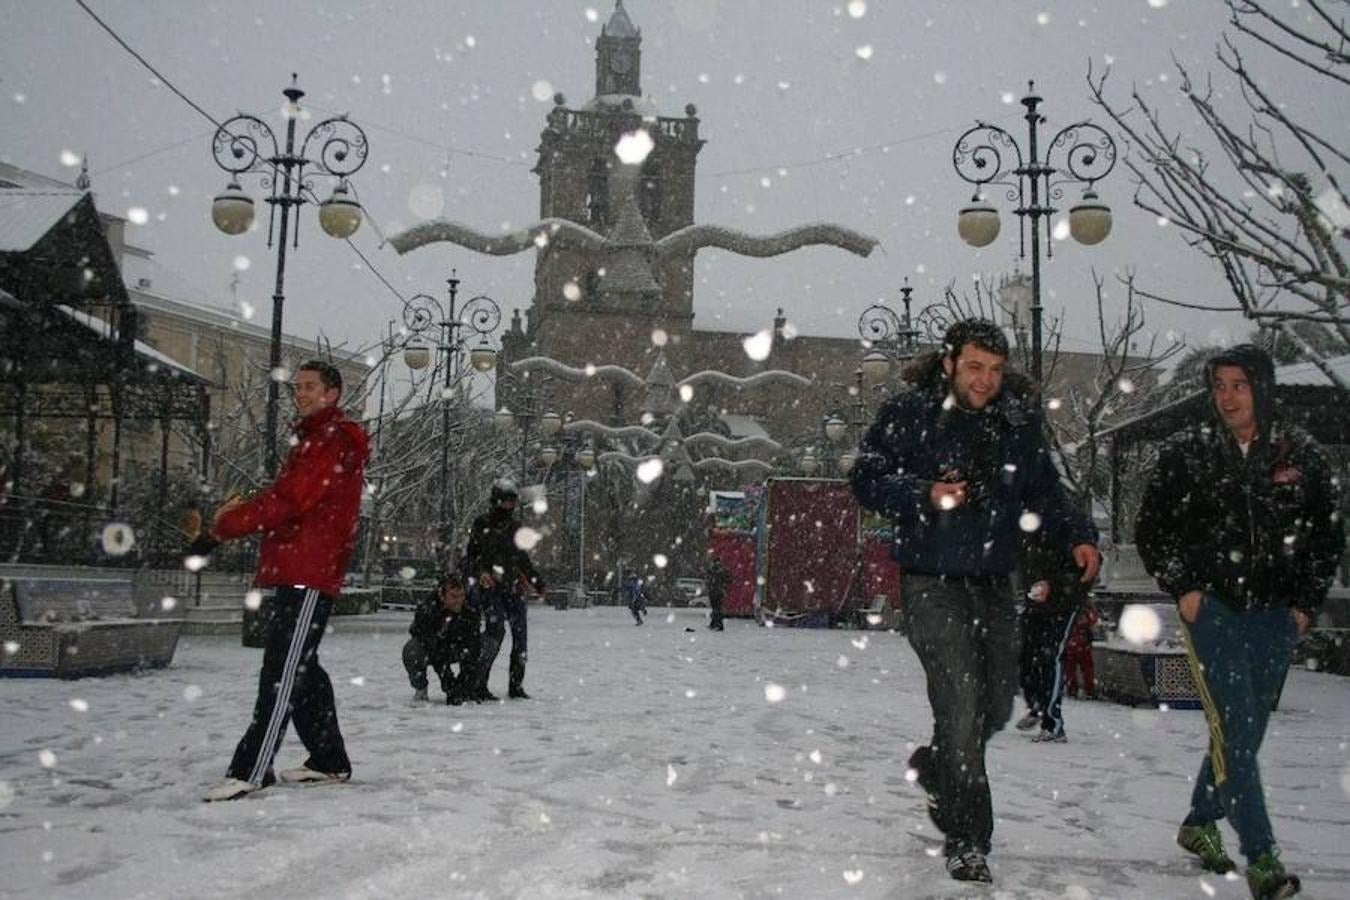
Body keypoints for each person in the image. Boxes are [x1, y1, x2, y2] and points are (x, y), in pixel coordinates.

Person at [850, 319, 1099, 884]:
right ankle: (968, 838)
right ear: (949, 364)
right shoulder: (911, 414)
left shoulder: (1017, 421)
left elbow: (1044, 490)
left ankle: (940, 767)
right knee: (960, 702)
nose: (985, 380)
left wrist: (1080, 534)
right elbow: (866, 476)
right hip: (930, 580)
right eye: (973, 367)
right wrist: (922, 494)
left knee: (994, 706)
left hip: (994, 581)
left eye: (993, 369)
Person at [1136, 344, 1343, 900]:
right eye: (1219, 385)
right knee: (1234, 727)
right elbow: (1152, 527)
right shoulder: (1190, 451)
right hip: (1215, 611)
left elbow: (1326, 535)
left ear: (1262, 390)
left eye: (1238, 385)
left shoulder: (1298, 454)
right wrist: (1186, 588)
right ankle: (1264, 859)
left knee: (1244, 733)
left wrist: (1304, 603)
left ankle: (1200, 820)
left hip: (1276, 615)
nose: (1226, 397)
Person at [201, 360, 370, 802]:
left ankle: (252, 768)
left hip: (310, 570)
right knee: (301, 668)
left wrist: (224, 526)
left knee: (283, 671)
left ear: (332, 394)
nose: (301, 393)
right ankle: (329, 759)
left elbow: (289, 499)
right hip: (299, 566)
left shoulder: (330, 441)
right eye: (298, 387)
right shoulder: (316, 439)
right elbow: (289, 500)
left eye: (310, 387)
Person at [1014, 520, 1093, 742]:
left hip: (1062, 603)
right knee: (1026, 655)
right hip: (1036, 601)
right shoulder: (1026, 526)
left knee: (1051, 657)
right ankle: (1036, 706)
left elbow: (1086, 567)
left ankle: (1053, 722)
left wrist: (1055, 585)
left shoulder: (1067, 524)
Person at [465, 478, 544, 700]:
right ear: (496, 500)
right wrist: (481, 572)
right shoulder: (481, 523)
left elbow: (522, 558)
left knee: (521, 639)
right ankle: (479, 683)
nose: (509, 506)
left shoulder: (516, 527)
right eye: (506, 501)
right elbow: (472, 555)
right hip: (490, 588)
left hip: (513, 587)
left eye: (512, 501)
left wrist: (537, 582)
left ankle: (516, 685)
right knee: (495, 633)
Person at [403, 572, 481, 705]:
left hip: (457, 646)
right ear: (442, 595)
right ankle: (420, 687)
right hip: (430, 648)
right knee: (412, 650)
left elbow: (474, 645)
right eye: (454, 596)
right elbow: (433, 648)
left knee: (484, 646)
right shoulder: (427, 609)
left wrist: (464, 686)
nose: (459, 601)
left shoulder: (469, 610)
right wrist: (449, 684)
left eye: (461, 596)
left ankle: (469, 689)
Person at [1061, 601, 1099, 700]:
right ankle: (1088, 691)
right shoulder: (1086, 612)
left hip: (1074, 644)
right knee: (1085, 669)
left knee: (1072, 670)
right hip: (1081, 645)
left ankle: (1074, 690)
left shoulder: (1068, 611)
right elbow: (1093, 621)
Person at [705, 554, 729, 631]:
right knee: (717, 609)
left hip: (715, 592)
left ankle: (718, 625)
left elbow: (709, 580)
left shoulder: (713, 570)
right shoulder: (721, 570)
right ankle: (715, 624)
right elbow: (728, 579)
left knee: (716, 609)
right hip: (718, 592)